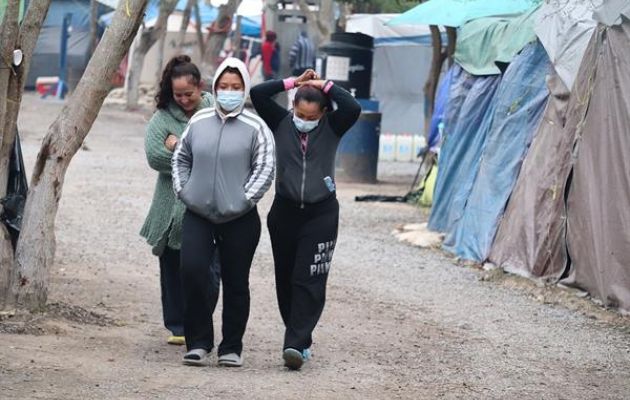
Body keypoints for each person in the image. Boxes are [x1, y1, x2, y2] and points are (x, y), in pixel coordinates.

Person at [250, 69, 361, 370]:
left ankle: (294, 344)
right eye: (301, 114)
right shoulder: (282, 122)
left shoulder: (334, 126)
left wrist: (324, 85)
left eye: (312, 116)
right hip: (284, 212)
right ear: (293, 108)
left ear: (324, 113)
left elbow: (353, 107)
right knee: (285, 279)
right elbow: (258, 94)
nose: (305, 120)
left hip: (321, 213)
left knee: (308, 278)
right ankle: (301, 334)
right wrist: (294, 82)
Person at [172, 57, 275, 368]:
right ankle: (198, 342)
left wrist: (242, 200)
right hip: (198, 213)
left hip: (239, 218)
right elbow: (181, 159)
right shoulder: (199, 121)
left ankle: (231, 346)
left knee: (235, 280)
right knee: (192, 272)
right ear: (214, 88)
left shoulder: (256, 126)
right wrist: (185, 191)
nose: (229, 92)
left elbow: (265, 167)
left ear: (244, 90)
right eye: (223, 86)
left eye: (236, 87)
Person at [141, 55, 218, 347]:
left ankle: (200, 320)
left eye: (189, 93)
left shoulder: (214, 109)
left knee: (208, 269)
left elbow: (221, 150)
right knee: (172, 267)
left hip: (210, 204)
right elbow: (154, 156)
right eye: (178, 95)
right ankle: (177, 324)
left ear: (200, 87)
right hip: (170, 207)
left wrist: (178, 145)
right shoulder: (161, 118)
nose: (184, 99)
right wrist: (194, 154)